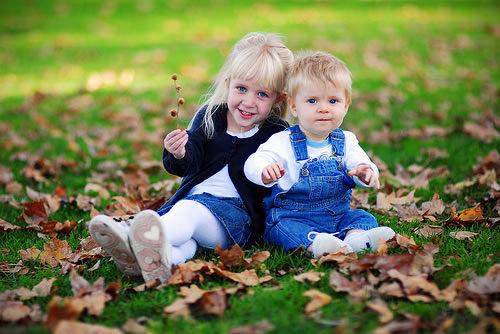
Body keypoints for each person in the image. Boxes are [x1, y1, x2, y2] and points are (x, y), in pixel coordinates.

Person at [88, 32, 293, 281]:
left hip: (236, 218)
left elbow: (286, 182)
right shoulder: (211, 116)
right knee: (187, 239)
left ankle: (133, 235)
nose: (249, 101)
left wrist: (273, 174)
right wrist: (179, 152)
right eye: (242, 89)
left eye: (262, 94)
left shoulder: (277, 133)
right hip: (195, 207)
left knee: (189, 212)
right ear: (228, 83)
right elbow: (188, 164)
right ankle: (160, 264)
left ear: (277, 99)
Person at [244, 51, 395, 258]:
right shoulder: (283, 140)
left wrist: (366, 172)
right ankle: (317, 245)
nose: (323, 108)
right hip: (295, 216)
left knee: (361, 216)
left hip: (336, 216)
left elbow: (361, 162)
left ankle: (354, 238)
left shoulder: (346, 141)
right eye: (313, 101)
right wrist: (263, 170)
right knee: (282, 229)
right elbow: (255, 161)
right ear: (294, 106)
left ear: (346, 105)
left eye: (333, 101)